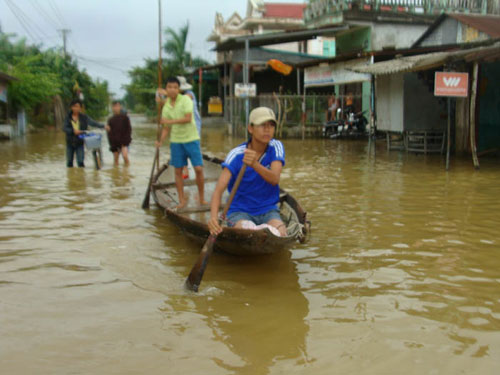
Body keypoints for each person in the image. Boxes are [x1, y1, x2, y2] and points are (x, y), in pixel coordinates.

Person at [208, 107, 287, 238]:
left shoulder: (276, 147)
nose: (267, 129)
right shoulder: (236, 154)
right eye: (262, 125)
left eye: (271, 125)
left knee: (281, 233)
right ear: (250, 128)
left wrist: (255, 164)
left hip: (268, 210)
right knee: (248, 232)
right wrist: (213, 218)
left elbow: (274, 179)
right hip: (239, 211)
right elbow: (218, 190)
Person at [155, 76, 206, 209]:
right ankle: (182, 201)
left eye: (175, 87)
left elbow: (187, 119)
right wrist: (160, 141)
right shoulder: (166, 106)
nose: (172, 90)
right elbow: (166, 128)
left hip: (191, 139)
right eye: (169, 87)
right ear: (166, 89)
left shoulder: (186, 99)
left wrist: (168, 122)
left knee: (199, 169)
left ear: (179, 89)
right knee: (177, 171)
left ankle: (202, 199)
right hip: (176, 141)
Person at [63, 99, 104, 168]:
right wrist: (73, 131)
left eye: (78, 106)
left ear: (80, 108)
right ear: (71, 107)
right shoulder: (67, 117)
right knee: (69, 162)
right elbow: (64, 128)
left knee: (80, 162)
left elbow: (93, 123)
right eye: (74, 106)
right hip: (70, 143)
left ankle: (81, 176)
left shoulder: (84, 117)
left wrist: (103, 126)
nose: (76, 108)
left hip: (80, 143)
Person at [178, 76, 202, 180]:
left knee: (193, 150)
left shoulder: (189, 94)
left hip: (194, 126)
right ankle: (185, 170)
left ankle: (198, 174)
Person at [105, 101, 132, 166]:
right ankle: (116, 173)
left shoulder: (125, 118)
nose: (116, 108)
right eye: (115, 106)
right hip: (114, 142)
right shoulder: (110, 119)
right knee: (116, 159)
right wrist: (111, 144)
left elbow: (129, 130)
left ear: (120, 107)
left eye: (118, 106)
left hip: (124, 142)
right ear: (112, 108)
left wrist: (125, 142)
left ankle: (127, 171)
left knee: (125, 156)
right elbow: (109, 133)